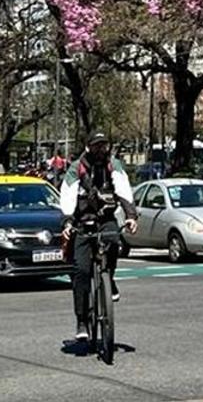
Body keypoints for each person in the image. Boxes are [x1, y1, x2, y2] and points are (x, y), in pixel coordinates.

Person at [60, 133, 136, 344]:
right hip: (81, 221)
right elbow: (66, 194)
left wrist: (130, 216)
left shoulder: (114, 164)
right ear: (88, 147)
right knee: (81, 271)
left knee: (113, 242)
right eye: (97, 146)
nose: (101, 150)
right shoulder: (77, 168)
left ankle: (108, 279)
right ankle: (82, 321)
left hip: (105, 219)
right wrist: (67, 222)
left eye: (104, 146)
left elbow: (123, 190)